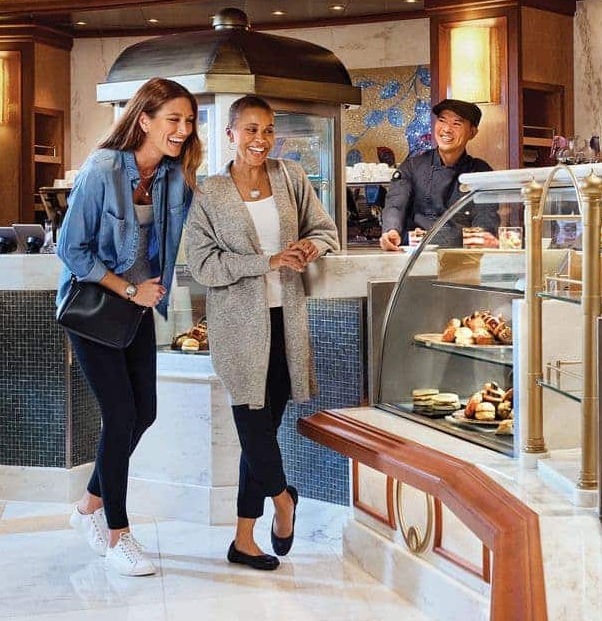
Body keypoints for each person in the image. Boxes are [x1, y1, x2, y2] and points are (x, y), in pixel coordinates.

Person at [183, 95, 340, 571]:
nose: (260, 140)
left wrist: (309, 246)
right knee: (252, 424)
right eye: (250, 130)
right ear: (229, 135)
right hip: (237, 327)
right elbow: (202, 265)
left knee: (265, 428)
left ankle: (244, 540)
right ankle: (284, 498)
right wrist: (265, 261)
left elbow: (326, 229)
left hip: (285, 320)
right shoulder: (208, 192)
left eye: (268, 130)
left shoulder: (290, 177)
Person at [58, 77, 200, 577]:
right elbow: (70, 251)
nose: (182, 130)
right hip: (97, 307)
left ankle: (87, 507)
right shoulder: (102, 170)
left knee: (145, 414)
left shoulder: (172, 175)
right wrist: (129, 288)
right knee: (120, 416)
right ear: (144, 119)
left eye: (188, 120)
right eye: (172, 120)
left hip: (140, 308)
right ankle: (117, 533)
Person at [379, 99, 495, 250]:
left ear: (472, 132)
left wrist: (484, 235)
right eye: (442, 120)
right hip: (416, 253)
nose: (447, 129)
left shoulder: (480, 170)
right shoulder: (412, 166)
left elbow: (486, 213)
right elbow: (395, 204)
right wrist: (391, 230)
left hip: (461, 255)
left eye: (456, 123)